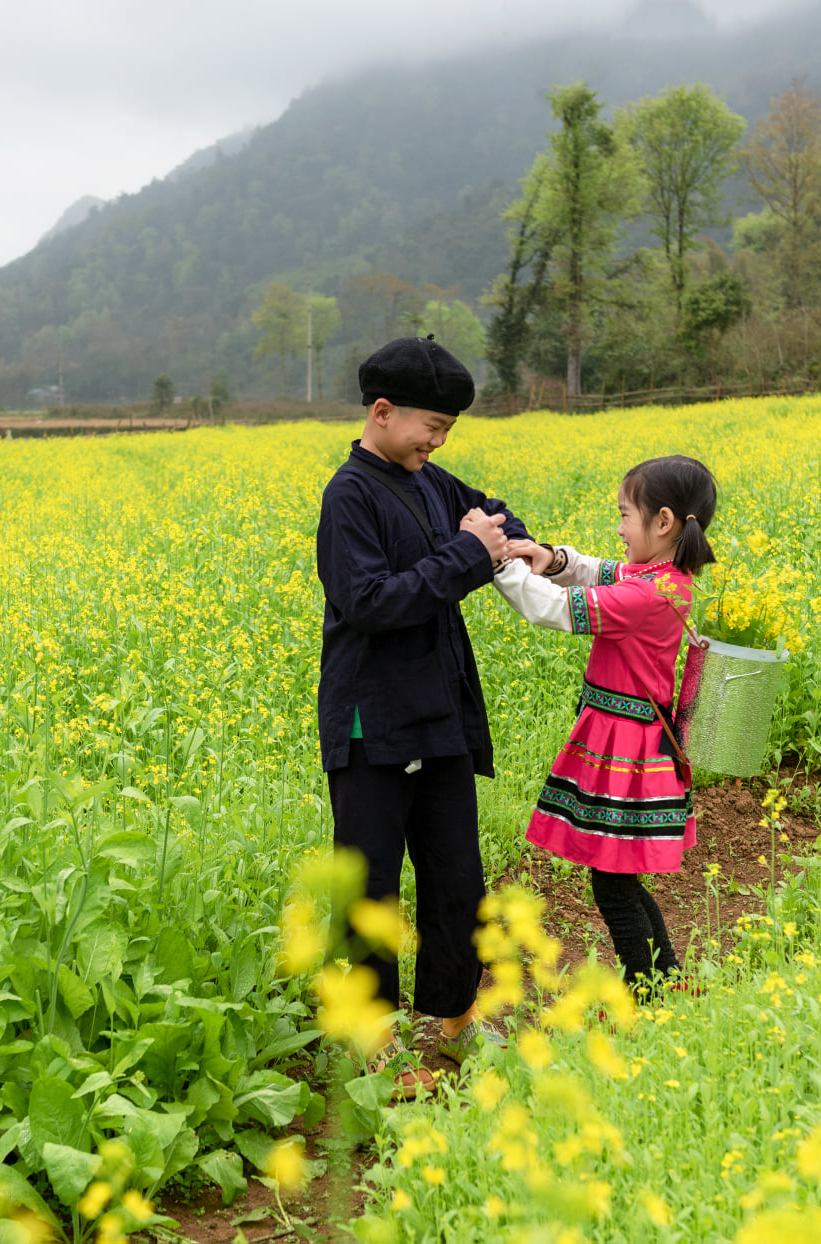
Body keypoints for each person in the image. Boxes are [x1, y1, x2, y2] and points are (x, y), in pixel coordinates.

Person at [316, 336, 526, 1095]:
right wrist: (473, 555)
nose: (437, 442)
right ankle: (372, 1038)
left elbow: (492, 515)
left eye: (447, 432)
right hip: (374, 721)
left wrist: (524, 546)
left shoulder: (431, 481)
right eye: (430, 427)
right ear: (381, 412)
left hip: (438, 713)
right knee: (371, 884)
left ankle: (455, 1017)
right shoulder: (351, 495)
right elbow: (370, 603)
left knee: (454, 874)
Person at [493, 455, 719, 988]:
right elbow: (595, 571)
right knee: (620, 878)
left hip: (629, 754)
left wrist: (497, 564)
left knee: (613, 886)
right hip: (631, 744)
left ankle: (647, 993)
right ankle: (666, 981)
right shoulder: (665, 577)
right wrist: (545, 555)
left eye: (624, 515)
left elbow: (555, 609)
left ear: (662, 522)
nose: (618, 528)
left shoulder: (646, 595)